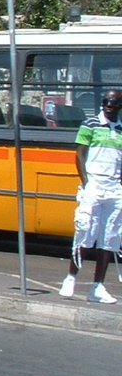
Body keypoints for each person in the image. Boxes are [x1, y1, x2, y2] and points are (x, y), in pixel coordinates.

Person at [59, 89, 122, 303]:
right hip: (94, 185)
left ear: (120, 105)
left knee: (110, 238)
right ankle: (70, 278)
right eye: (105, 101)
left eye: (112, 102)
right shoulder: (90, 124)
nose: (107, 105)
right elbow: (79, 154)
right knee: (85, 231)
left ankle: (98, 287)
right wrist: (86, 183)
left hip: (115, 189)